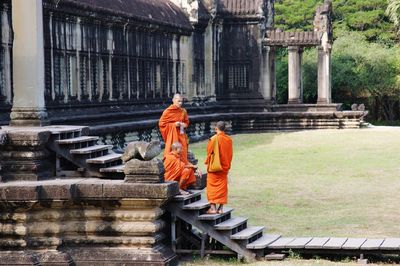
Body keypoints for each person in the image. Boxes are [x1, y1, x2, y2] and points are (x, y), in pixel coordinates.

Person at [205, 121, 233, 214]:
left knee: (211, 187)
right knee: (222, 187)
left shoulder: (213, 139)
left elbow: (209, 152)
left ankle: (213, 208)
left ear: (216, 128)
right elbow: (230, 154)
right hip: (224, 167)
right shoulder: (228, 139)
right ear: (224, 129)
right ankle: (220, 208)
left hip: (214, 167)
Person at [159, 93, 190, 164]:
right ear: (173, 100)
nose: (180, 103)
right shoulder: (167, 111)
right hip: (172, 135)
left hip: (181, 135)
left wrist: (183, 125)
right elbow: (161, 124)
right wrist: (173, 125)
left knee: (182, 151)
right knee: (171, 151)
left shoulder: (183, 111)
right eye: (178, 101)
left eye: (181, 101)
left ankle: (182, 166)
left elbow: (186, 122)